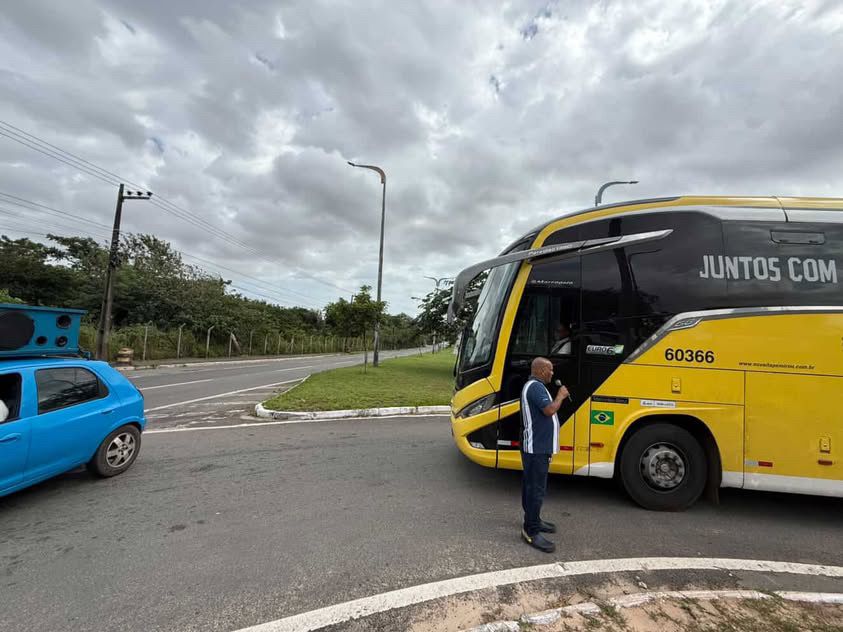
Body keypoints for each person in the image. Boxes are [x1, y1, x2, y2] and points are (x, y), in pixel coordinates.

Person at [520, 357, 569, 553]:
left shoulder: (536, 386)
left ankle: (534, 520)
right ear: (540, 370)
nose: (552, 373)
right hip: (536, 449)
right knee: (536, 489)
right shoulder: (535, 387)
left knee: (532, 487)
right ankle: (530, 531)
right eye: (550, 370)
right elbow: (549, 410)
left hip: (539, 447)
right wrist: (561, 396)